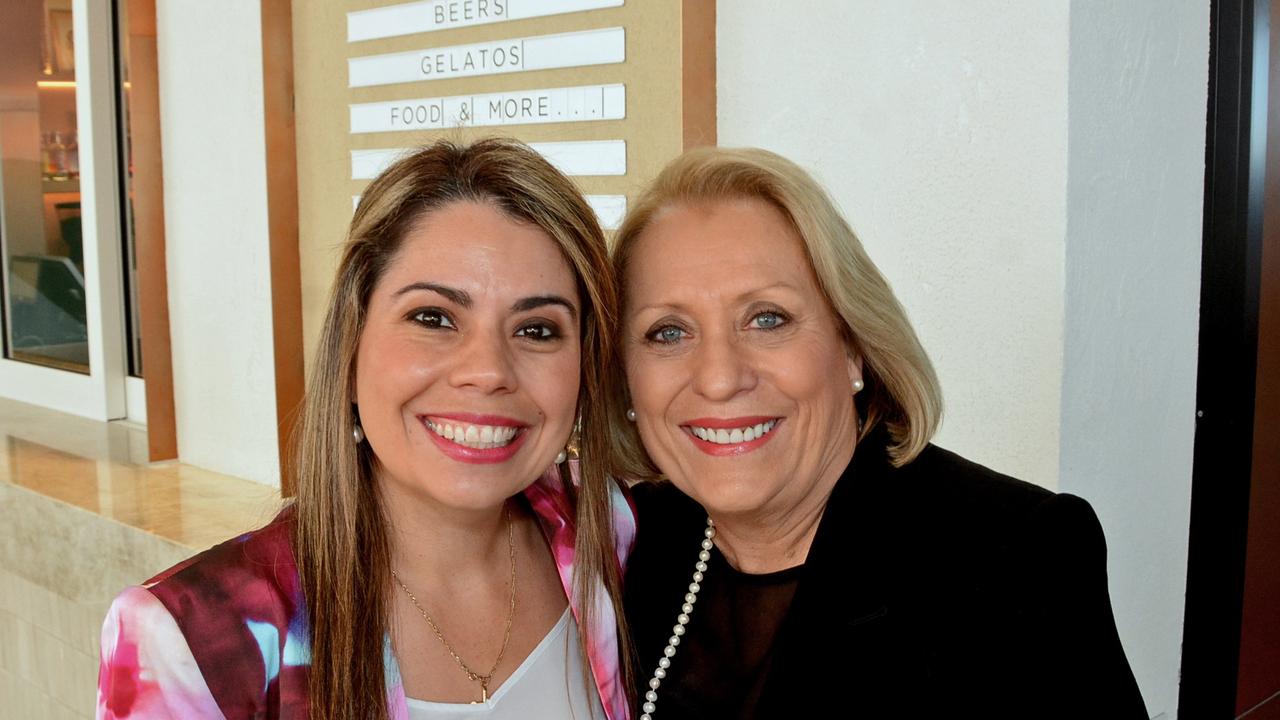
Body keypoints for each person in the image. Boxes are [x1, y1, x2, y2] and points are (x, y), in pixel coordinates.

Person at [96, 138, 635, 720]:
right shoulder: (185, 639)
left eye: (537, 329)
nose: (488, 372)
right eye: (433, 318)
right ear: (350, 349)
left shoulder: (608, 528)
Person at [610, 147, 1148, 718]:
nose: (719, 379)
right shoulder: (622, 544)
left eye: (768, 318)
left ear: (853, 348)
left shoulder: (1016, 556)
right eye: (667, 332)